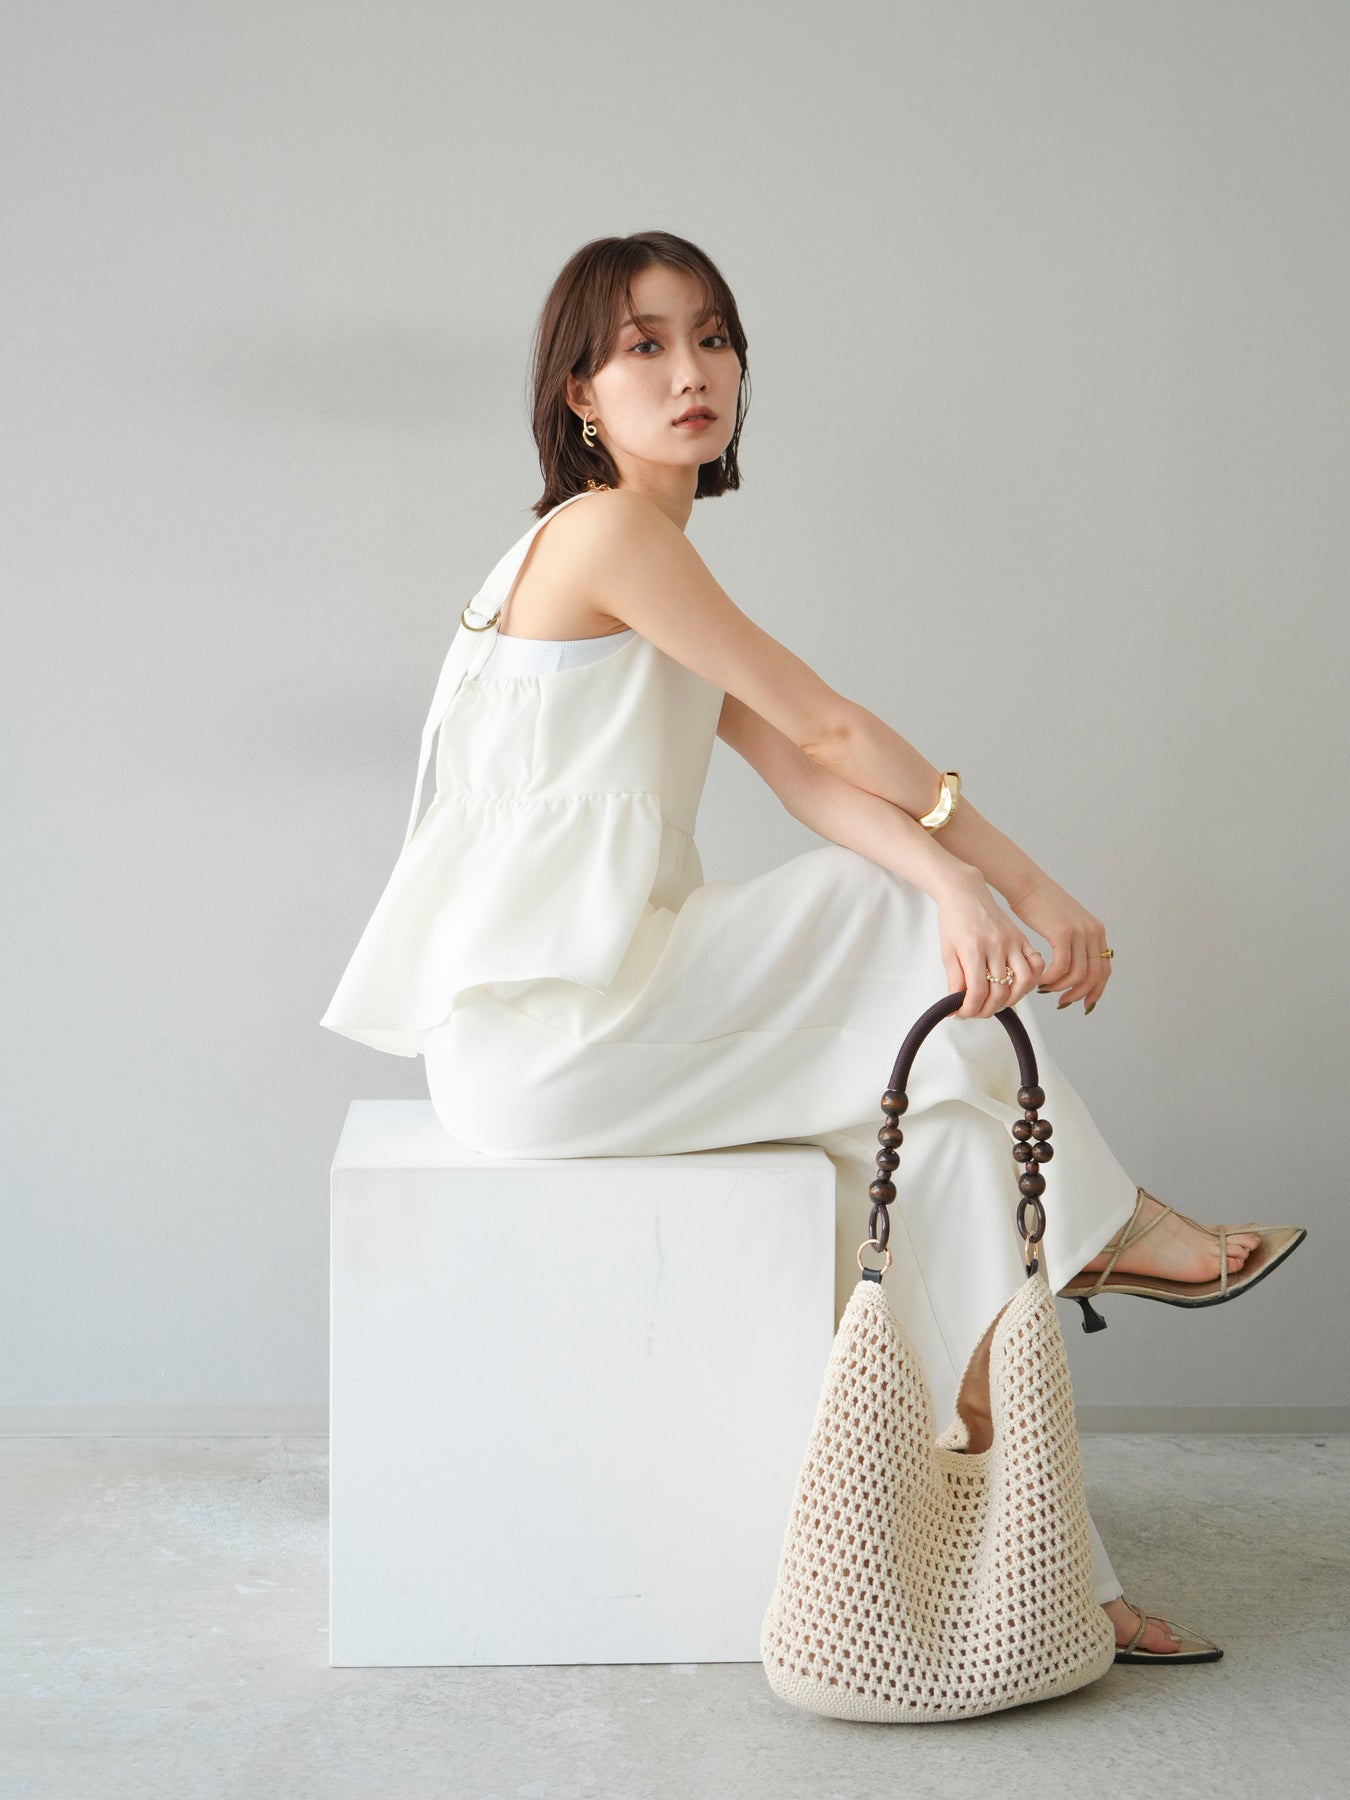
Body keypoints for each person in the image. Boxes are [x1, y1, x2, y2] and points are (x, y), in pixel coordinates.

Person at [320, 230, 1305, 1666]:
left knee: (948, 1141)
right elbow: (833, 726)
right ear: (578, 393)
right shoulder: (604, 536)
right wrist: (1006, 886)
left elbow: (802, 772)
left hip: (588, 1030)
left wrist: (971, 883)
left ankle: (1051, 1572)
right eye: (643, 346)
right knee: (883, 909)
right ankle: (1112, 1227)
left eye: (712, 337)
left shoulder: (645, 557)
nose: (691, 371)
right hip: (553, 1031)